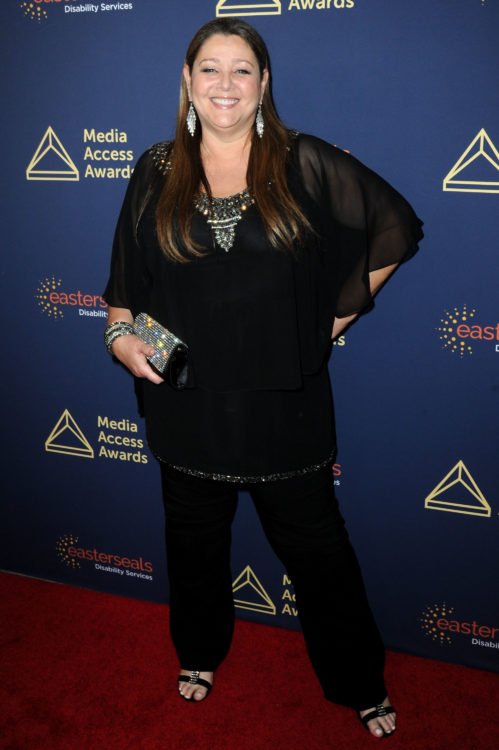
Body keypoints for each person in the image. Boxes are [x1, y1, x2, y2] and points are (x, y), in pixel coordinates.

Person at [103, 17, 423, 739]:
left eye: (241, 69)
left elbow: (395, 228)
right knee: (192, 545)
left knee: (319, 557)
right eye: (208, 68)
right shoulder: (155, 168)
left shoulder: (302, 162)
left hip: (285, 413)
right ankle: (199, 653)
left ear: (263, 83)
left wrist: (328, 325)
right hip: (187, 407)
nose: (224, 83)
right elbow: (128, 280)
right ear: (186, 81)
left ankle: (357, 682)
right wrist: (122, 338)